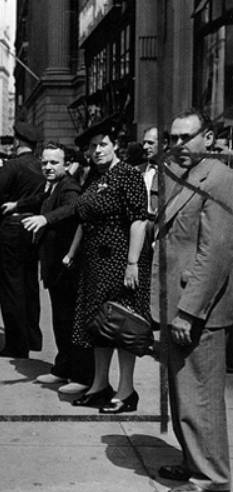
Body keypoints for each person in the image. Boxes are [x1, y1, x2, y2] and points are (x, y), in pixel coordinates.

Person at [151, 109, 233, 492]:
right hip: (177, 304)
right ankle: (193, 459)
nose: (179, 144)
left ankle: (211, 475)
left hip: (198, 310)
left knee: (200, 393)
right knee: (184, 391)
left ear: (209, 138)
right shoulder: (187, 175)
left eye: (187, 137)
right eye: (174, 138)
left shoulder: (219, 179)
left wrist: (189, 311)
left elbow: (214, 254)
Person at [64, 118, 150, 410]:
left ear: (115, 146)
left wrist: (132, 263)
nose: (97, 150)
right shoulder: (94, 176)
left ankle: (126, 392)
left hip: (120, 260)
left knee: (123, 325)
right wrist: (73, 253)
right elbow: (84, 218)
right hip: (94, 264)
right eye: (92, 146)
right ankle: (100, 385)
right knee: (98, 325)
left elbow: (139, 220)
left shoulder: (128, 175)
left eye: (103, 144)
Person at [18, 142, 91, 388]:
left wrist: (45, 219)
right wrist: (16, 206)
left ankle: (81, 376)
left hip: (67, 266)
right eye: (45, 162)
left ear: (67, 165)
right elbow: (39, 198)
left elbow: (72, 207)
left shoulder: (70, 186)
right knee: (60, 320)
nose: (48, 167)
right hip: (54, 266)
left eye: (54, 163)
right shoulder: (52, 185)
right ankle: (63, 368)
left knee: (70, 320)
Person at [0, 121, 45, 357]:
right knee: (29, 283)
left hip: (12, 227)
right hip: (33, 226)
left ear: (17, 141)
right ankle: (32, 337)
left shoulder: (13, 165)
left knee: (11, 286)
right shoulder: (40, 165)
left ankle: (16, 343)